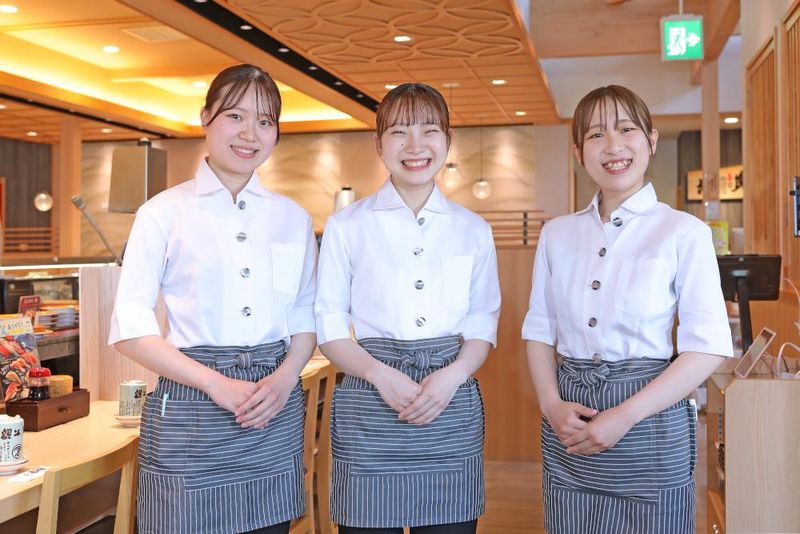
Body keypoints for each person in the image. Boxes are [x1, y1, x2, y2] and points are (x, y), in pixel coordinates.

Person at [109, 64, 317, 534]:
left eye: (265, 121)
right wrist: (214, 383)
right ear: (206, 118)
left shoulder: (293, 218)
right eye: (235, 116)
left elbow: (304, 315)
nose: (250, 133)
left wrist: (286, 378)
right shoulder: (161, 213)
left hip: (271, 406)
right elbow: (130, 328)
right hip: (191, 408)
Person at [522, 85, 734, 533]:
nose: (613, 146)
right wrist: (551, 404)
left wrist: (624, 416)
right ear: (578, 152)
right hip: (570, 420)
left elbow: (708, 347)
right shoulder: (556, 234)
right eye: (596, 135)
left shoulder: (684, 232)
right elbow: (540, 329)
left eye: (626, 129)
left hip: (649, 419)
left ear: (651, 141)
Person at [315, 83, 500, 534]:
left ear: (448, 141)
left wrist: (453, 376)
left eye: (429, 130)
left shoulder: (473, 229)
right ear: (379, 145)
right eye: (399, 131)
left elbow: (482, 323)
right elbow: (329, 325)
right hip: (369, 400)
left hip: (448, 401)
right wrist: (380, 375)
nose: (415, 145)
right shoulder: (346, 226)